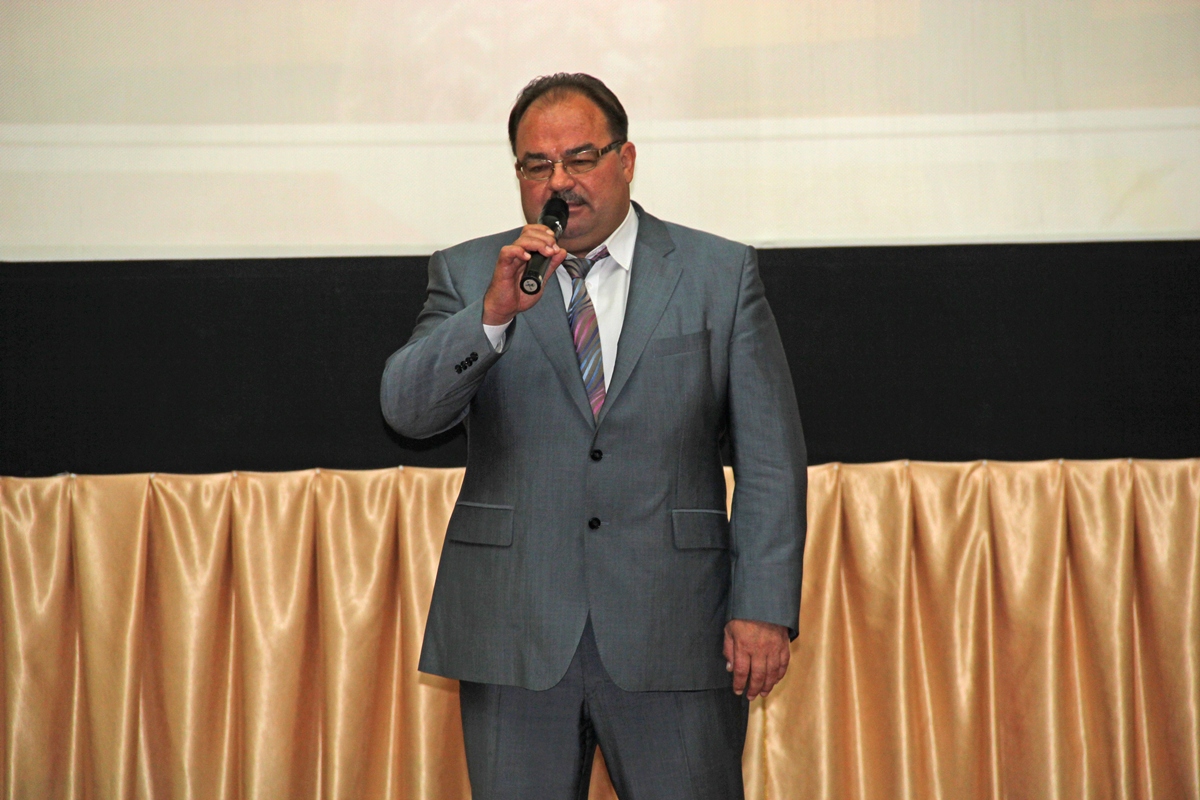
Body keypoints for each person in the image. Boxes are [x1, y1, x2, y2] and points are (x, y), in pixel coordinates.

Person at [381, 73, 806, 799]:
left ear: (626, 160)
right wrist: (491, 316)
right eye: (536, 165)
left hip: (675, 627)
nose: (560, 182)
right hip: (515, 630)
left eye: (580, 158)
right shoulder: (473, 272)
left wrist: (763, 606)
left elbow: (771, 459)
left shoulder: (718, 273)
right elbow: (407, 413)